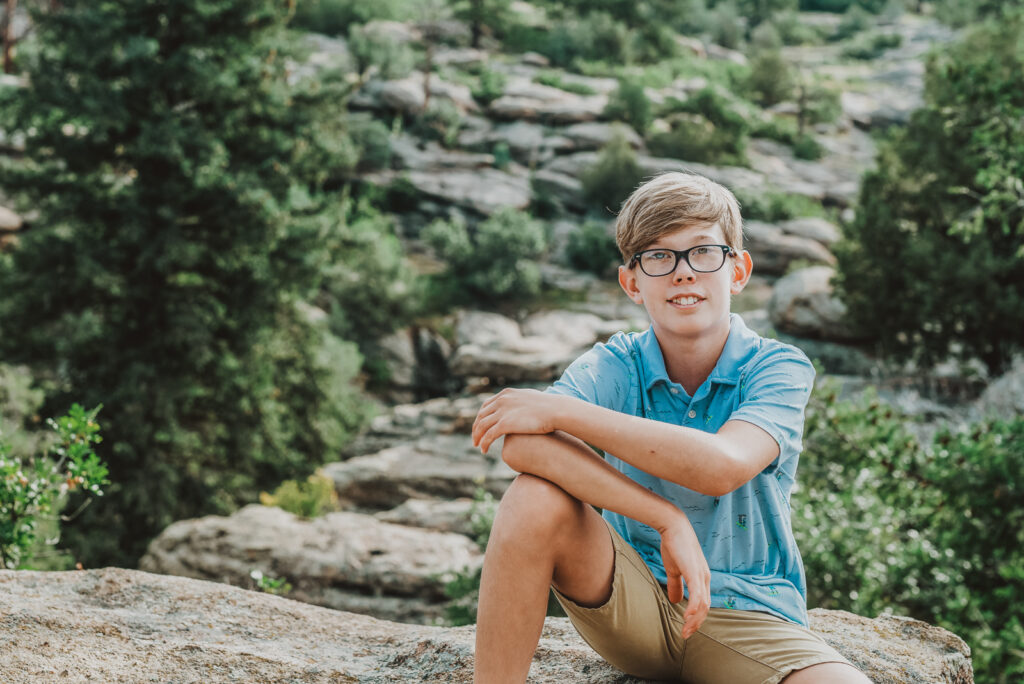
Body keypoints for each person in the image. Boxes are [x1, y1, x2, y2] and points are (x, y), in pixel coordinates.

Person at [470, 172, 872, 684]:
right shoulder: (617, 364)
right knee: (533, 498)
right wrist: (665, 519)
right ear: (632, 282)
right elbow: (523, 443)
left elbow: (721, 467)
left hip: (750, 614)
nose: (684, 273)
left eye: (703, 252)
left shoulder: (777, 368)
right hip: (631, 601)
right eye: (658, 257)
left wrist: (562, 413)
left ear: (738, 270)